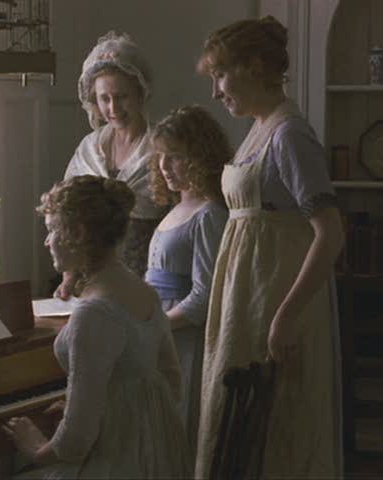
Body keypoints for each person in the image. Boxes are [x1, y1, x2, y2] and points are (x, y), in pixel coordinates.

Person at [193, 16, 345, 479]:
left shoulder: (290, 135)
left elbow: (331, 233)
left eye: (221, 74)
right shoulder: (260, 127)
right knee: (235, 422)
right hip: (244, 295)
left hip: (273, 299)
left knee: (273, 427)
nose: (217, 91)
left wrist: (285, 317)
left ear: (256, 66)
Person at [3, 175, 192, 479]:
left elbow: (77, 439)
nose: (47, 241)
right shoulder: (142, 290)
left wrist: (36, 448)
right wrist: (109, 406)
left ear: (77, 234)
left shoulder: (94, 313)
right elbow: (171, 381)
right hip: (156, 456)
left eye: (52, 230)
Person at [143, 105, 230, 453]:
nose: (164, 167)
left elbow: (205, 296)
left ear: (199, 156)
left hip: (185, 341)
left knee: (179, 428)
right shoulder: (175, 210)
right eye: (161, 157)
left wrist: (157, 325)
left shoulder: (209, 214)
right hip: (159, 332)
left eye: (175, 157)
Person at [55, 31, 165, 299]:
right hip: (92, 277)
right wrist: (68, 277)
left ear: (141, 93)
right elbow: (67, 214)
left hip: (147, 272)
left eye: (122, 96)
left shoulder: (161, 146)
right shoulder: (90, 148)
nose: (113, 107)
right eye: (105, 98)